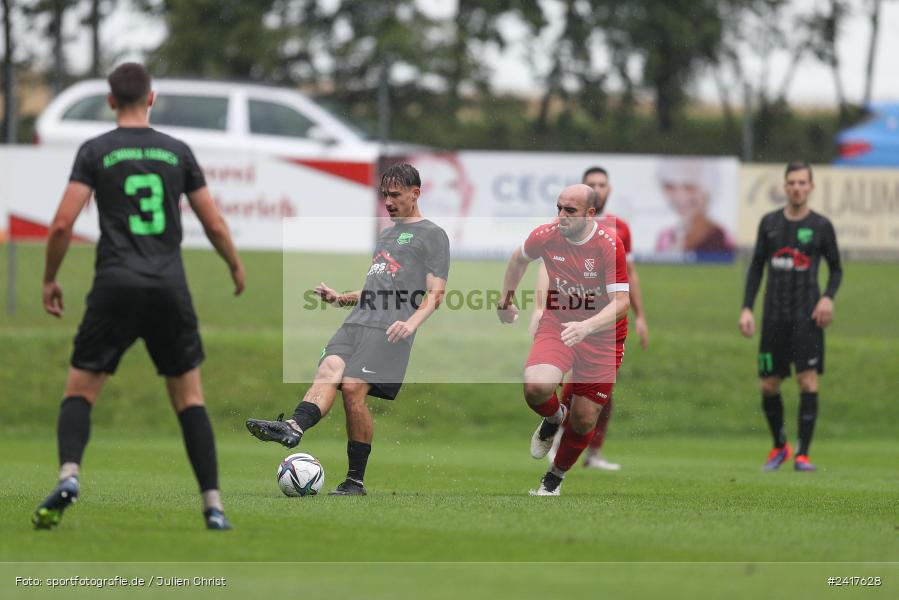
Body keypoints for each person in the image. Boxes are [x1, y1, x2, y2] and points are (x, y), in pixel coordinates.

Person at [33, 63, 245, 530]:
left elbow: (63, 223)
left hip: (114, 286)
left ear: (110, 101)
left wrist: (50, 278)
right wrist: (233, 263)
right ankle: (213, 505)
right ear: (151, 99)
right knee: (190, 399)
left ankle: (69, 475)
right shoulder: (177, 151)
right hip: (169, 287)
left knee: (80, 391)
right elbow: (212, 221)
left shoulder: (96, 151)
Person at [246, 163, 449, 496]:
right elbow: (377, 286)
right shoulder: (385, 235)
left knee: (353, 388)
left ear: (416, 193)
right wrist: (342, 298)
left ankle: (355, 480)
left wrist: (411, 323)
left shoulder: (433, 235)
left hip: (391, 325)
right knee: (329, 370)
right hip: (357, 319)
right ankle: (293, 428)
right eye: (385, 194)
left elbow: (436, 293)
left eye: (396, 194)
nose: (388, 201)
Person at [498, 184, 629, 496]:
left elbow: (622, 303)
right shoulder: (546, 234)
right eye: (559, 208)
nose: (561, 216)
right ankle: (555, 417)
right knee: (536, 387)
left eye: (570, 211)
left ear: (590, 213)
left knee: (584, 420)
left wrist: (587, 327)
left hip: (603, 337)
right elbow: (519, 259)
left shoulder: (609, 245)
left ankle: (552, 481)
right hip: (558, 322)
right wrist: (505, 300)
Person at [530, 166, 648, 471]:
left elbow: (629, 276)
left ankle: (591, 450)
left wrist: (641, 315)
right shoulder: (563, 227)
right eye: (591, 183)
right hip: (569, 318)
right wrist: (538, 308)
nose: (598, 187)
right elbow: (546, 268)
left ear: (607, 191)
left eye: (602, 184)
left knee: (599, 395)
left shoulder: (620, 230)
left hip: (606, 325)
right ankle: (557, 430)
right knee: (562, 378)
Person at [739, 161, 842, 472]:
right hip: (773, 317)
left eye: (802, 183)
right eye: (792, 183)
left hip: (807, 317)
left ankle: (803, 454)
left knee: (807, 380)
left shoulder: (821, 226)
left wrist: (827, 298)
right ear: (784, 187)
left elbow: (836, 269)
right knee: (769, 385)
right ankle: (779, 445)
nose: (797, 188)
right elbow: (756, 267)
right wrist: (747, 307)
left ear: (810, 187)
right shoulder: (769, 223)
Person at [655, 159, 734, 255]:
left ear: (707, 192)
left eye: (689, 187)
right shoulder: (665, 237)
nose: (680, 196)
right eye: (670, 186)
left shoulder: (723, 238)